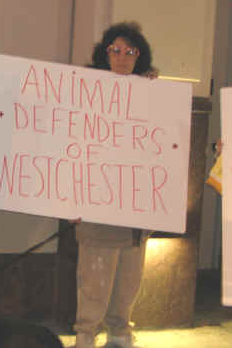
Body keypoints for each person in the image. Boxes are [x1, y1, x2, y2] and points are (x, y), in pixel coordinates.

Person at [73, 22, 156, 348]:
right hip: (96, 206)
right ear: (104, 54)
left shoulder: (152, 94)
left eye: (130, 51)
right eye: (116, 50)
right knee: (94, 281)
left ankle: (120, 334)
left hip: (135, 209)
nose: (122, 57)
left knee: (128, 281)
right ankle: (86, 335)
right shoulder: (84, 92)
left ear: (140, 56)